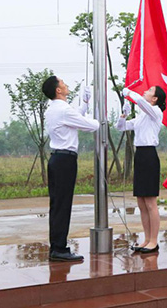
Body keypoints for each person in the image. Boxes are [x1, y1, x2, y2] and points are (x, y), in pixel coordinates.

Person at [42, 76, 99, 262]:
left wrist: (85, 103)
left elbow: (74, 117)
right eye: (63, 83)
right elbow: (91, 126)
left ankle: (56, 246)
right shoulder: (64, 110)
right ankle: (59, 249)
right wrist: (97, 118)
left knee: (57, 205)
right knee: (63, 205)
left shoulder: (54, 109)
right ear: (58, 90)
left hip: (57, 159)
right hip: (65, 161)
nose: (66, 85)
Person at [118, 85, 167, 254]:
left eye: (150, 91)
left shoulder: (155, 112)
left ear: (155, 99)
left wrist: (129, 93)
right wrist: (123, 115)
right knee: (141, 202)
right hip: (139, 156)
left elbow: (140, 101)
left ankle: (154, 240)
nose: (145, 91)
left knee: (150, 202)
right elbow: (121, 127)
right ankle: (146, 239)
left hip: (149, 156)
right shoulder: (141, 116)